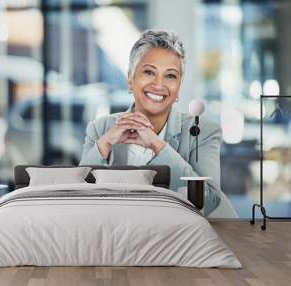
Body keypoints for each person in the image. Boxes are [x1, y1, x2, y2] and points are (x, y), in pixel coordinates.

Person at [79, 30, 221, 216]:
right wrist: (103, 145)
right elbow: (79, 196)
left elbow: (208, 201)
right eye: (149, 72)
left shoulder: (204, 131)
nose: (158, 84)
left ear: (178, 87)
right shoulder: (100, 129)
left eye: (170, 76)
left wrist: (158, 146)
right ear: (130, 79)